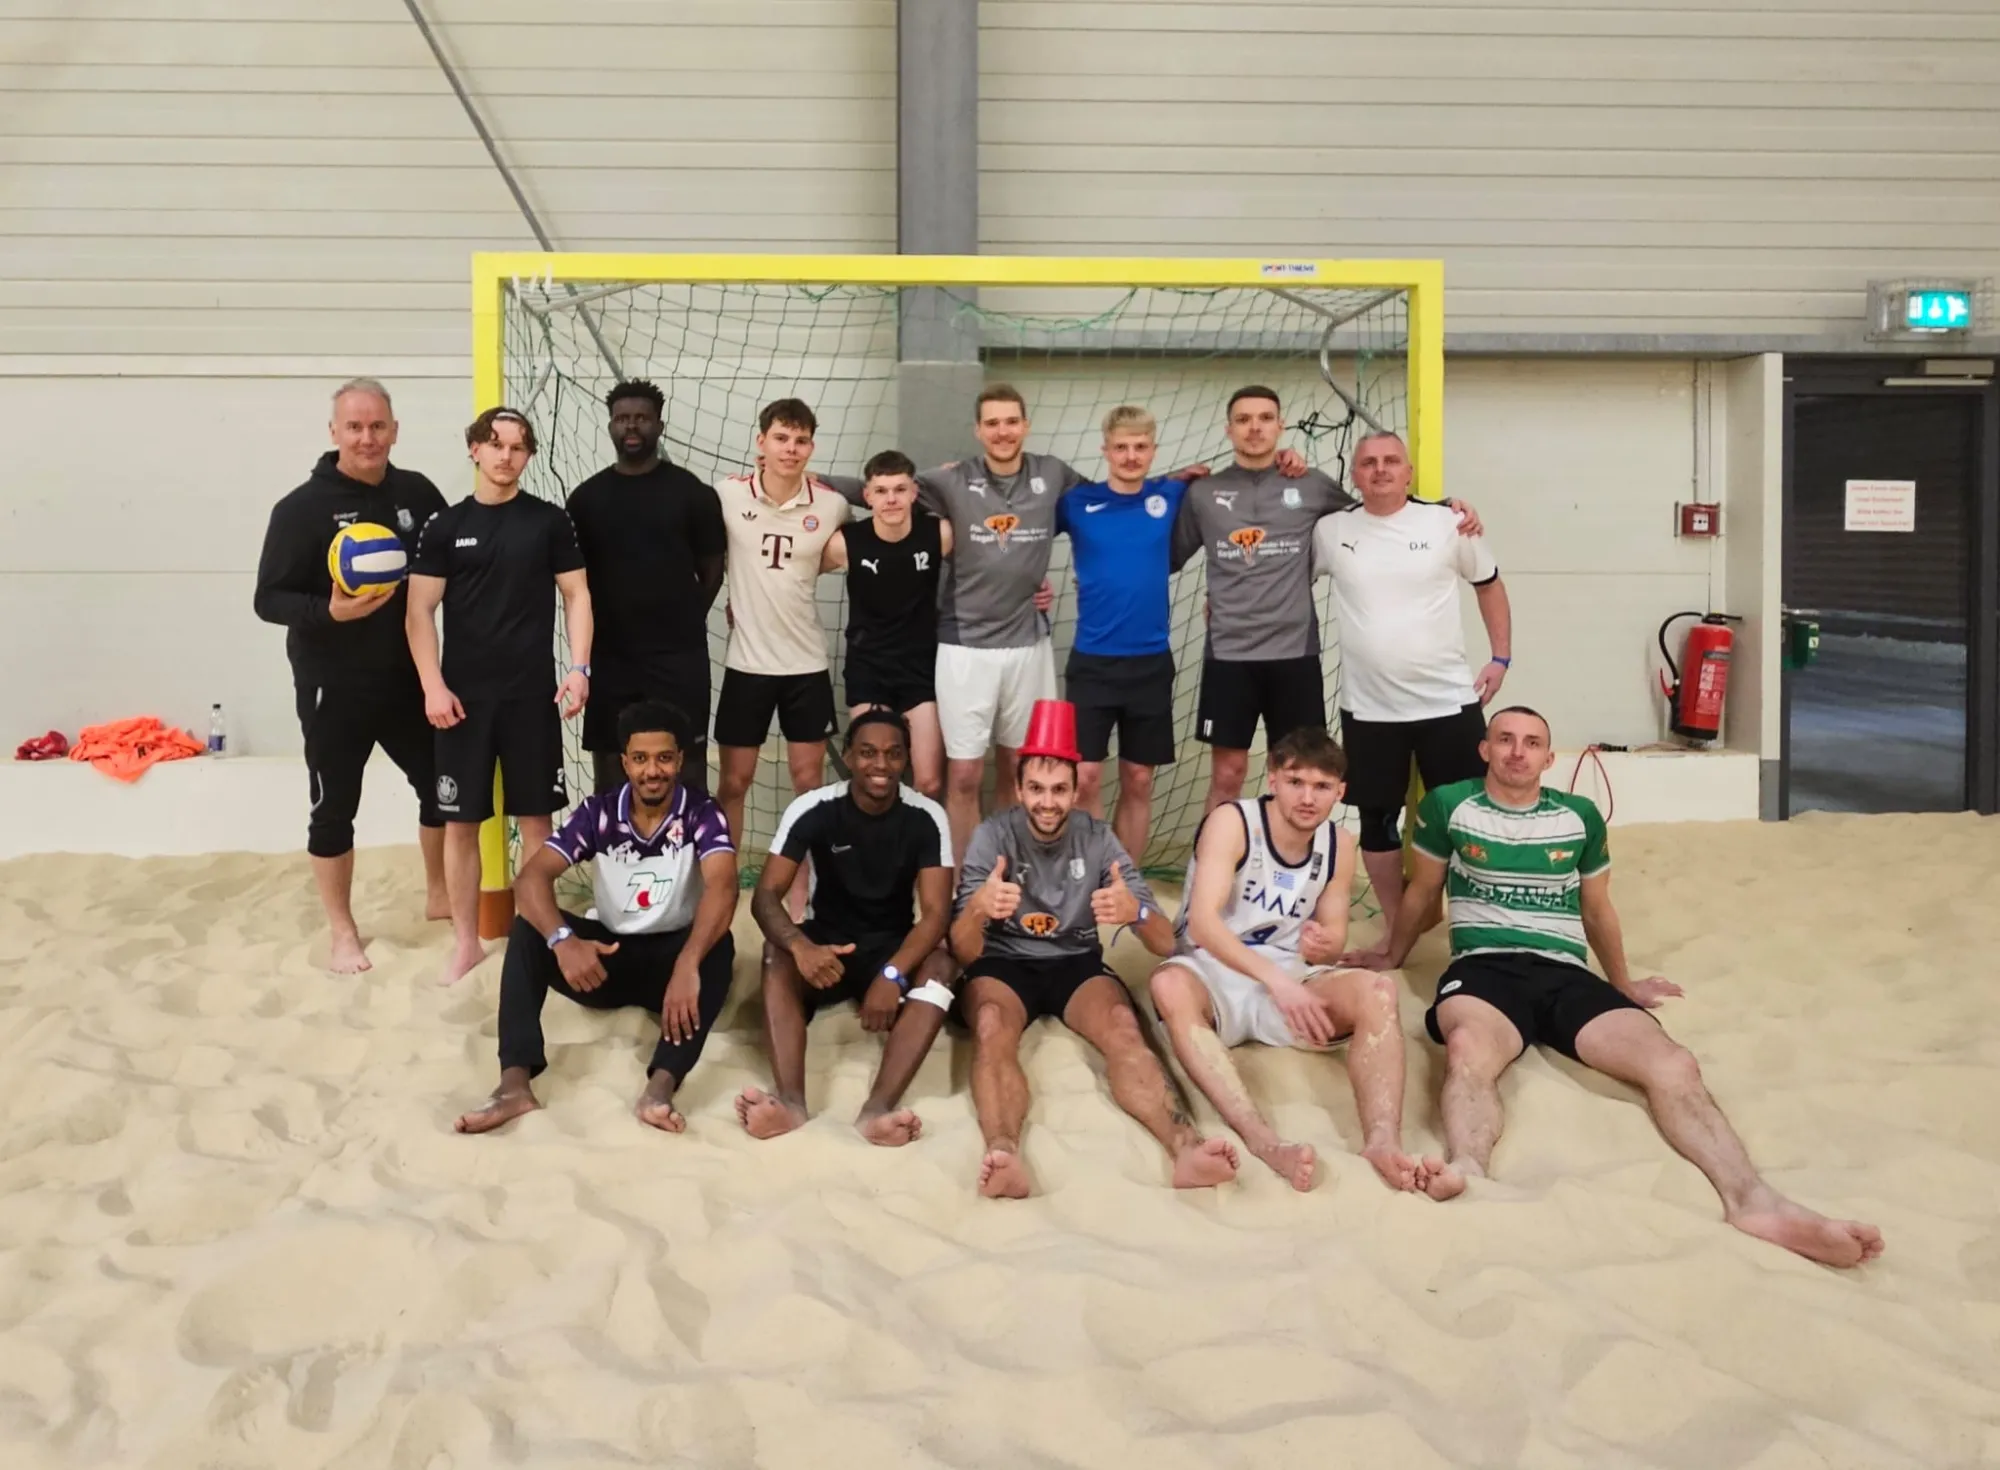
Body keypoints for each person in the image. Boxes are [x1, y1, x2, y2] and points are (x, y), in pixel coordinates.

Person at [1357, 707, 1886, 1269]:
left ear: (1548, 758)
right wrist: (1392, 954)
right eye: (1505, 740)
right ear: (1484, 750)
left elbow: (1597, 908)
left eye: (1531, 743)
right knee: (1467, 1050)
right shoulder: (1449, 805)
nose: (1517, 751)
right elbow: (1424, 892)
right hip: (1485, 967)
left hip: (1565, 971)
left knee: (1674, 1063)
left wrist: (1622, 983)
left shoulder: (1578, 816)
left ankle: (1752, 1200)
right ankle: (1468, 1167)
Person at [951, 699, 1240, 1198]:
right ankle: (1004, 1152)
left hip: (1075, 962)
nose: (1047, 802)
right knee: (992, 1026)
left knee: (1125, 1026)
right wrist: (978, 908)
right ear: (1018, 789)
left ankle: (1185, 1147)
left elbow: (1164, 942)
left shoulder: (1099, 840)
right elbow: (961, 949)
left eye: (1058, 789)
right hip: (1003, 964)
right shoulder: (992, 836)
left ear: (1075, 790)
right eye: (1036, 788)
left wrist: (1136, 913)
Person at [1172, 387, 1481, 815]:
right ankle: (1213, 858)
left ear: (1280, 426)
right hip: (1229, 655)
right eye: (1243, 419)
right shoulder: (1203, 493)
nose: (1255, 428)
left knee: (1302, 774)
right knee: (1228, 773)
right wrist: (1160, 489)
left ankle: (1293, 857)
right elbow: (1166, 557)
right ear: (1229, 430)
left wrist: (1444, 509)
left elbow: (1375, 513)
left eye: (1265, 418)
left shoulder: (1311, 484)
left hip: (1295, 656)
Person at [1148, 727, 1416, 1193]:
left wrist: (1322, 945)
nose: (1307, 798)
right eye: (1295, 782)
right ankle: (1264, 1141)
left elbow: (1334, 935)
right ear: (1272, 780)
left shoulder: (1339, 844)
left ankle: (1383, 1141)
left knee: (1379, 990)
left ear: (1340, 792)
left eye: (1321, 786)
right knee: (1167, 985)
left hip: (1288, 978)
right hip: (1215, 966)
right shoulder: (1233, 821)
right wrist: (1278, 981)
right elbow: (1203, 925)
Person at [453, 700, 739, 1136]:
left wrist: (688, 962)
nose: (652, 771)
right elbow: (530, 880)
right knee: (527, 930)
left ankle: (660, 1088)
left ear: (680, 760)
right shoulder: (599, 812)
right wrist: (563, 940)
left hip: (673, 965)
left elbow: (724, 886)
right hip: (605, 958)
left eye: (664, 758)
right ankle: (514, 1085)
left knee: (719, 946)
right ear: (625, 763)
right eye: (640, 759)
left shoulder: (702, 811)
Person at [253, 377, 449, 973]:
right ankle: (343, 932)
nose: (367, 438)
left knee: (442, 788)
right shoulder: (300, 509)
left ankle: (439, 893)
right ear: (334, 431)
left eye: (378, 426)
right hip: (332, 684)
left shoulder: (418, 493)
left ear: (395, 430)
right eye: (355, 427)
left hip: (408, 679)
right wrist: (329, 611)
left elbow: (453, 566)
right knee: (335, 808)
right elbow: (268, 599)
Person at [406, 407, 592, 986]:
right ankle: (466, 943)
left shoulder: (548, 521)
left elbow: (577, 595)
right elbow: (419, 611)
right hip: (462, 703)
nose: (505, 456)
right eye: (495, 444)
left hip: (530, 697)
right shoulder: (444, 526)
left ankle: (534, 938)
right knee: (461, 824)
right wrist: (433, 685)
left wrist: (579, 668)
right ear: (474, 449)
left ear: (528, 455)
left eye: (517, 447)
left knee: (536, 822)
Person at [1314, 429, 1514, 951]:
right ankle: (1396, 926)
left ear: (1409, 472)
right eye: (1368, 463)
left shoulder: (1449, 523)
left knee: (1468, 815)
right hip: (1369, 708)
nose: (1380, 469)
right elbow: (1281, 573)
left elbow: (1489, 583)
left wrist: (1500, 658)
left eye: (1391, 461)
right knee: (1377, 818)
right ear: (1354, 476)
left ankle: (1476, 922)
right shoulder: (1331, 530)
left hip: (1448, 701)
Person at [735, 707, 958, 1146]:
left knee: (942, 968)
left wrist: (893, 975)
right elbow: (765, 897)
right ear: (850, 756)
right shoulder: (813, 808)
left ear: (906, 759)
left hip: (891, 948)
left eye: (893, 753)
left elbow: (935, 914)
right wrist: (801, 947)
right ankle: (791, 1102)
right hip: (827, 948)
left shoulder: (927, 816)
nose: (881, 764)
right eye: (868, 753)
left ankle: (877, 1110)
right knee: (775, 952)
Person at [565, 379, 726, 796]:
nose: (632, 426)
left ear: (659, 425)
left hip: (678, 657)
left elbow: (713, 569)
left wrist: (684, 616)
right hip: (610, 657)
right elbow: (574, 582)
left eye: (641, 418)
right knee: (611, 774)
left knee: (687, 770)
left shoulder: (692, 493)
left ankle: (688, 843)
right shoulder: (585, 500)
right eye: (622, 418)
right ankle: (613, 841)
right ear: (610, 426)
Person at [1054, 405, 1191, 863]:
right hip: (1092, 663)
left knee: (1139, 779)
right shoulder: (1077, 502)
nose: (1130, 456)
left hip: (1150, 664)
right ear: (1105, 450)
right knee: (1085, 778)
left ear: (1153, 450)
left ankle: (1125, 880)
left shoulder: (1171, 494)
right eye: (1121, 447)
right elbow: (1022, 538)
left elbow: (1224, 484)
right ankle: (1091, 874)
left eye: (1140, 447)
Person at [711, 398, 849, 848]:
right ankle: (723, 884)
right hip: (747, 664)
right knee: (734, 782)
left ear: (811, 448)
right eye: (781, 438)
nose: (791, 448)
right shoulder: (728, 494)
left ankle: (803, 888)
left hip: (805, 665)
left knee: (808, 785)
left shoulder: (831, 505)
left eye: (801, 440)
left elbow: (879, 533)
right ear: (761, 442)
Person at [818, 450, 948, 799]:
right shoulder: (846, 542)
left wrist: (1034, 585)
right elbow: (795, 573)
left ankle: (922, 836)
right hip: (869, 668)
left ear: (914, 492)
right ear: (867, 495)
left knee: (929, 783)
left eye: (899, 489)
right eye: (881, 490)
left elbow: (986, 564)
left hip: (921, 669)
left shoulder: (939, 533)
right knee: (873, 778)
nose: (891, 499)